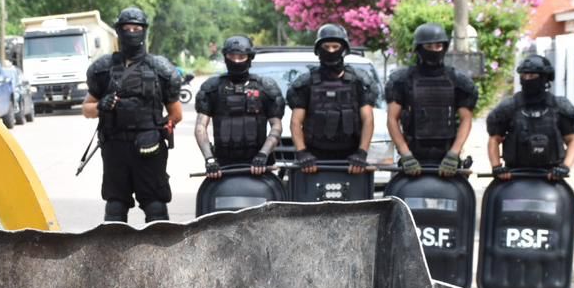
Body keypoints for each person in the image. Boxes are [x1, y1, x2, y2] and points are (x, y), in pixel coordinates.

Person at [82, 7, 184, 223]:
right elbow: (86, 109)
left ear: (144, 31)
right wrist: (101, 106)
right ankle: (116, 247)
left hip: (149, 149)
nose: (131, 33)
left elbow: (176, 113)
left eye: (136, 28)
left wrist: (161, 129)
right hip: (114, 147)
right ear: (119, 31)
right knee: (115, 207)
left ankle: (159, 247)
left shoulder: (160, 69)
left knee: (155, 207)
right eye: (127, 28)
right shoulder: (103, 69)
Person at [385, 22, 478, 178]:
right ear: (419, 48)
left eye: (438, 46)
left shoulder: (458, 80)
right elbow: (392, 119)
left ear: (444, 47)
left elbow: (466, 119)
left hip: (447, 159)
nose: (434, 50)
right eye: (428, 46)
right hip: (412, 157)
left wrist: (453, 154)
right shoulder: (402, 80)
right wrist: (406, 155)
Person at [286, 24, 376, 175]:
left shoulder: (359, 81)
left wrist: (361, 153)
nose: (331, 51)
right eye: (326, 47)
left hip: (351, 160)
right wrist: (302, 153)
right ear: (318, 50)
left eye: (335, 46)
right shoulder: (306, 82)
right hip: (313, 160)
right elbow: (295, 121)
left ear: (344, 49)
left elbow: (368, 119)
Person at [195, 35, 285, 179]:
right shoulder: (212, 88)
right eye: (232, 56)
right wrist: (210, 159)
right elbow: (200, 126)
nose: (236, 61)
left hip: (259, 166)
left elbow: (276, 125)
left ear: (249, 58)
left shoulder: (266, 87)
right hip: (222, 166)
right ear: (225, 57)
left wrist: (263, 154)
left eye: (241, 57)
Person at [486, 54, 574, 182]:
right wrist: (497, 167)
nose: (527, 79)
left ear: (544, 78)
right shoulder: (509, 107)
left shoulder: (559, 107)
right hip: (515, 175)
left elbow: (573, 140)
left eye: (532, 76)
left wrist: (565, 167)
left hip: (551, 176)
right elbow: (494, 138)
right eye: (524, 75)